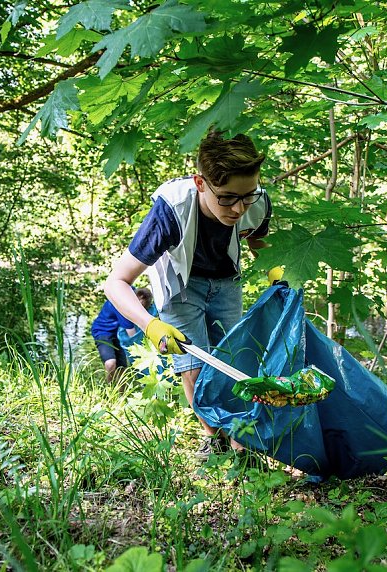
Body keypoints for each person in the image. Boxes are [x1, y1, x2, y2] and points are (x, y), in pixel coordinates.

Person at [104, 130, 280, 459]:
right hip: (180, 286)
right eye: (227, 198)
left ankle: (242, 445)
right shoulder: (171, 209)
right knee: (195, 365)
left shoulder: (256, 201)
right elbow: (116, 282)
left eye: (247, 196)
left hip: (227, 282)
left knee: (234, 359)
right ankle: (212, 436)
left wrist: (276, 271)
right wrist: (149, 324)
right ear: (201, 183)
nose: (239, 208)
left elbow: (257, 239)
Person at [91, 288, 153, 382]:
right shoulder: (123, 306)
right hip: (103, 331)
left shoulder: (132, 291)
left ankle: (121, 395)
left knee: (122, 368)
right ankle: (110, 389)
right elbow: (132, 336)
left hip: (117, 333)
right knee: (110, 363)